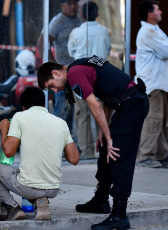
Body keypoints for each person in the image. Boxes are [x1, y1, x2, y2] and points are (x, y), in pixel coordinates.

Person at [37, 56, 149, 230]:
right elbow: (108, 97)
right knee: (105, 147)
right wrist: (102, 134)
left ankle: (120, 215)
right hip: (126, 103)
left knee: (118, 155)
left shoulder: (74, 73)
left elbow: (94, 105)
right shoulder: (79, 67)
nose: (56, 91)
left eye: (52, 85)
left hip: (133, 105)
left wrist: (110, 138)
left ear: (55, 72)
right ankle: (101, 200)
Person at [0, 87, 79, 221]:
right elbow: (74, 159)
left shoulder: (20, 117)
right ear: (43, 103)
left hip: (27, 187)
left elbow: (9, 152)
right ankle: (40, 203)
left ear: (23, 106)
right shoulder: (61, 123)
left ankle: (12, 207)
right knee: (24, 172)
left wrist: (4, 130)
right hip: (53, 189)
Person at [67, 1, 111, 159]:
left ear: (82, 15)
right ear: (97, 14)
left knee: (83, 114)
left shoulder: (76, 32)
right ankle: (105, 149)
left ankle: (87, 152)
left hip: (80, 77)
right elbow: (108, 49)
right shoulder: (104, 31)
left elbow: (71, 52)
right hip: (100, 76)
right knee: (101, 112)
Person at [36, 0, 82, 142]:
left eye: (75, 3)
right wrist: (54, 66)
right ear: (62, 6)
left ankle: (67, 144)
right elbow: (41, 44)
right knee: (61, 111)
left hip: (78, 73)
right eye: (70, 4)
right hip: (62, 75)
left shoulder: (80, 20)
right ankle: (54, 143)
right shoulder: (57, 21)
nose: (73, 7)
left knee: (74, 111)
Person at [135, 0, 168, 168]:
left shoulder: (155, 30)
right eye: (157, 10)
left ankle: (162, 154)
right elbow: (166, 51)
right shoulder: (148, 32)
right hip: (152, 84)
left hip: (159, 84)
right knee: (153, 119)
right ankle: (145, 156)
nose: (161, 12)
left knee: (161, 121)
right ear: (150, 14)